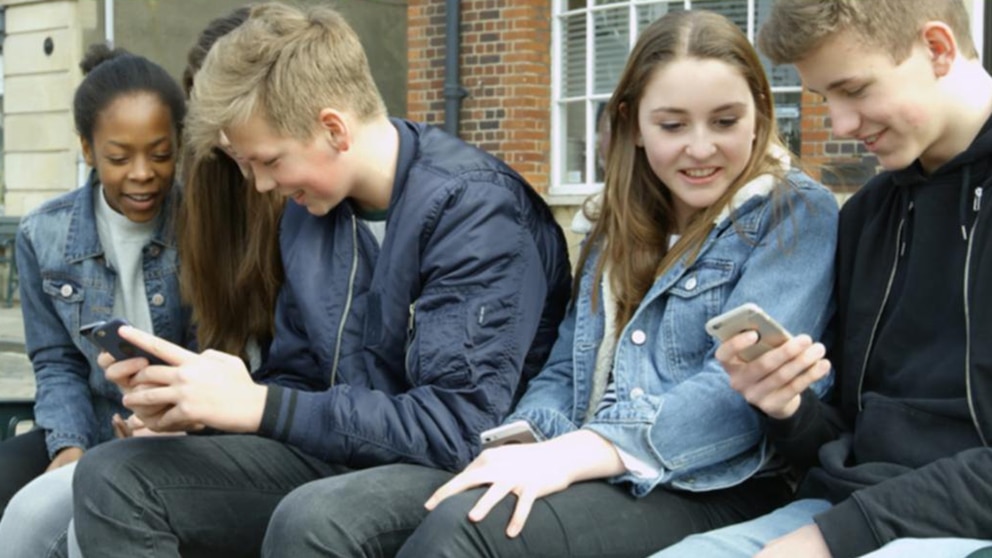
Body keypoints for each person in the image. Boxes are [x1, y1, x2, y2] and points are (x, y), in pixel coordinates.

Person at [70, 3, 572, 557]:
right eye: (245, 165)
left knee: (315, 518)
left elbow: (456, 427)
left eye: (268, 161)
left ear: (333, 128)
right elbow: (301, 378)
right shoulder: (309, 216)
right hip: (343, 455)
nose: (260, 185)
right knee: (114, 475)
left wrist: (260, 405)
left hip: (461, 470)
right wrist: (200, 413)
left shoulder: (476, 211)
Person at [367, 9, 834, 557]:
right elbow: (566, 369)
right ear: (633, 126)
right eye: (673, 125)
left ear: (759, 114)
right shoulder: (616, 224)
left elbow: (730, 393)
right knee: (375, 515)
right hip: (597, 466)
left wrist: (573, 455)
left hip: (716, 482)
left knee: (466, 530)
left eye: (725, 121)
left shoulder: (795, 213)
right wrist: (524, 441)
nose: (701, 147)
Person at [654, 1, 992, 557]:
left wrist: (835, 538)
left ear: (937, 49)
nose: (840, 125)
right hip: (839, 513)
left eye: (854, 90)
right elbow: (840, 444)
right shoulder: (866, 216)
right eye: (823, 98)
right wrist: (788, 408)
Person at [0, 44, 189, 556]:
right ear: (88, 149)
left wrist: (168, 422)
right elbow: (56, 361)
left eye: (161, 154)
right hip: (91, 420)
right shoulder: (43, 235)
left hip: (185, 431)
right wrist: (69, 445)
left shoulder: (203, 223)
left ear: (179, 144)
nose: (142, 173)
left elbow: (219, 348)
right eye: (119, 158)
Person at [178, 6, 285, 368]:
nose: (225, 138)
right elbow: (212, 328)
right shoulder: (207, 178)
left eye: (232, 109)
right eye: (210, 114)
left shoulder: (311, 194)